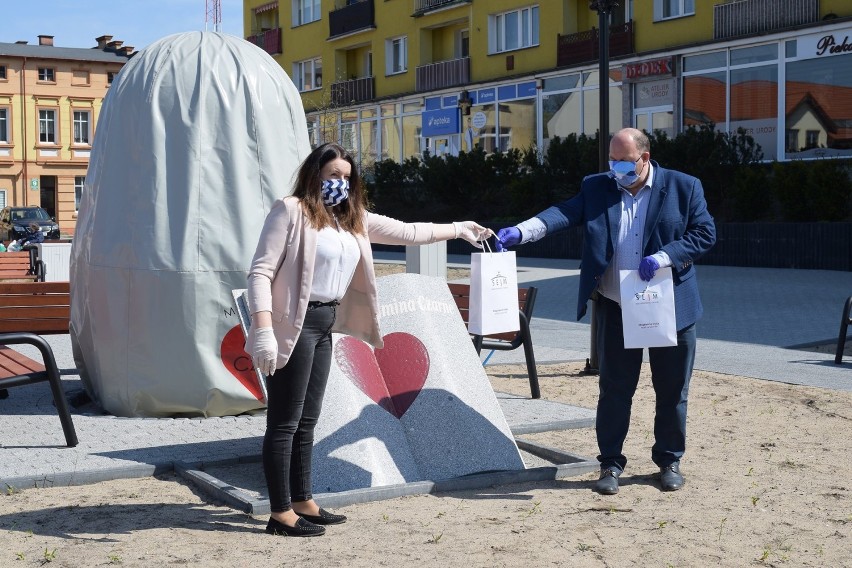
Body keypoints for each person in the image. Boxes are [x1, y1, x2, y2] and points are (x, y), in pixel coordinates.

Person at [245, 143, 492, 537]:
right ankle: (279, 512)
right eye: (332, 176)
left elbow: (409, 231)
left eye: (346, 177)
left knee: (308, 420)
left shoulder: (351, 219)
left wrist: (460, 228)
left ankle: (303, 498)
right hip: (291, 324)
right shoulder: (291, 210)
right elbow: (259, 272)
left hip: (325, 323)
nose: (340, 183)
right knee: (285, 422)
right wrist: (262, 330)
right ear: (315, 176)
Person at [495, 128, 716, 495]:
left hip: (670, 307)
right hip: (617, 306)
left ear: (644, 159)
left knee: (672, 389)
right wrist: (522, 232)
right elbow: (564, 212)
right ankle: (610, 463)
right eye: (611, 161)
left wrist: (664, 257)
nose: (615, 169)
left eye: (623, 162)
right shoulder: (598, 187)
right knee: (614, 390)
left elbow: (704, 234)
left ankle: (669, 461)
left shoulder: (683, 186)